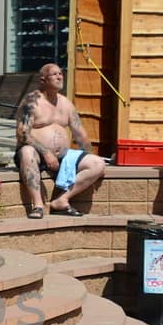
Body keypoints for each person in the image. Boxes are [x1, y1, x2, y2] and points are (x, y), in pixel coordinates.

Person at [14, 63, 105, 218]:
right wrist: (46, 152)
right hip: (37, 154)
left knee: (97, 164)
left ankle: (61, 200)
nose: (59, 77)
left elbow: (80, 134)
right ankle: (37, 205)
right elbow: (22, 134)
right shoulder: (31, 101)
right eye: (54, 74)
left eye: (61, 73)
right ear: (43, 80)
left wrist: (91, 155)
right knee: (26, 151)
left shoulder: (66, 103)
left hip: (63, 156)